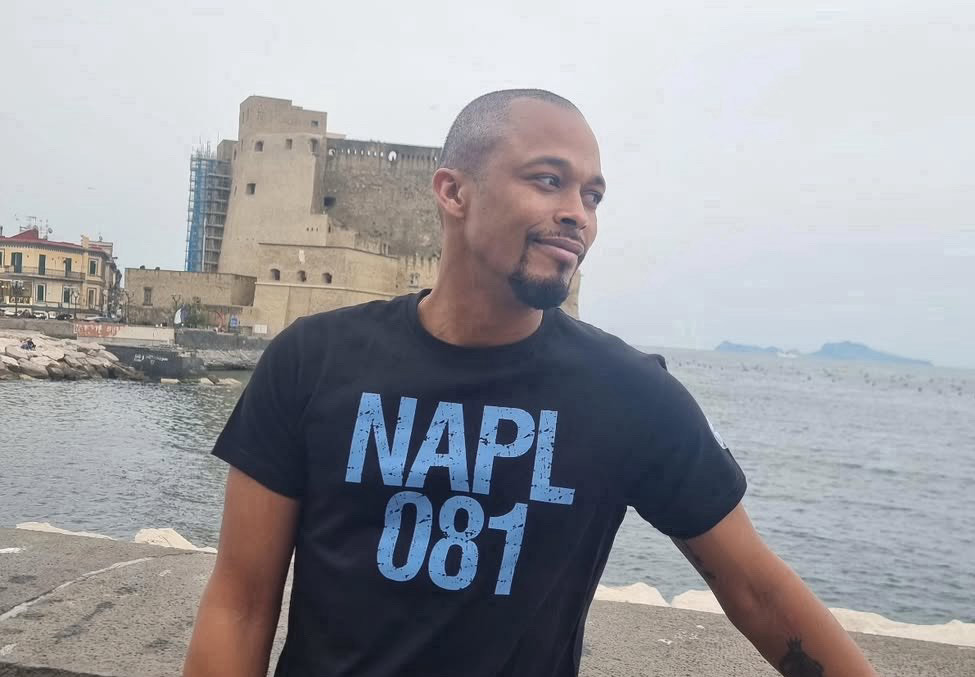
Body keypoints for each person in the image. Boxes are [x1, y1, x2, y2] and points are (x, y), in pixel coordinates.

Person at [184, 89, 879, 677]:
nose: (579, 213)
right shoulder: (312, 359)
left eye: (592, 195)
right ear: (454, 191)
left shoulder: (629, 394)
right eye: (548, 181)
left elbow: (756, 590)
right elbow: (241, 601)